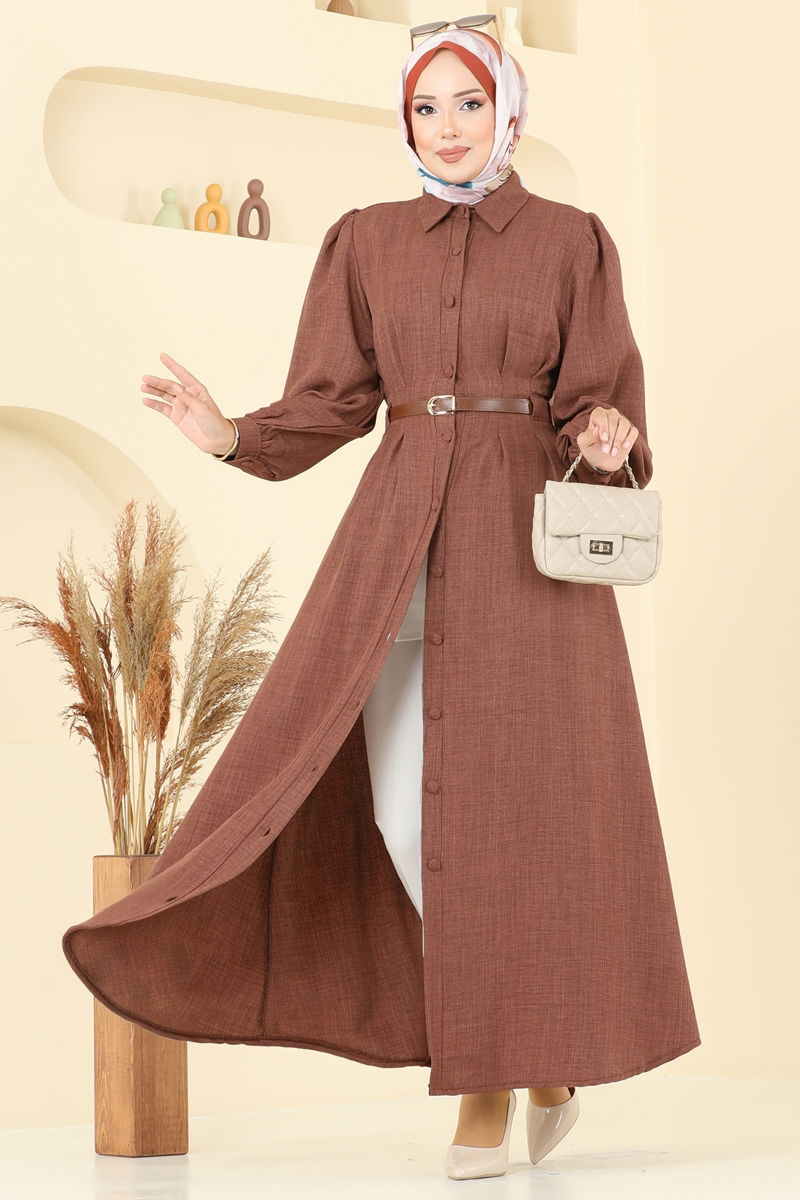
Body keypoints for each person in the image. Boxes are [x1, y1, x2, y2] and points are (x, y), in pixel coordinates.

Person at [109, 20, 699, 1185]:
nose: (446, 127)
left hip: (526, 557)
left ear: (507, 110)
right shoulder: (364, 241)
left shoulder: (573, 241)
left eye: (467, 103)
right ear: (404, 122)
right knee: (402, 815)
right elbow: (330, 403)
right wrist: (226, 433)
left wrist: (607, 434)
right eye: (425, 109)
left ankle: (488, 1083)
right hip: (397, 543)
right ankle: (538, 1065)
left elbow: (599, 402)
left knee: (521, 823)